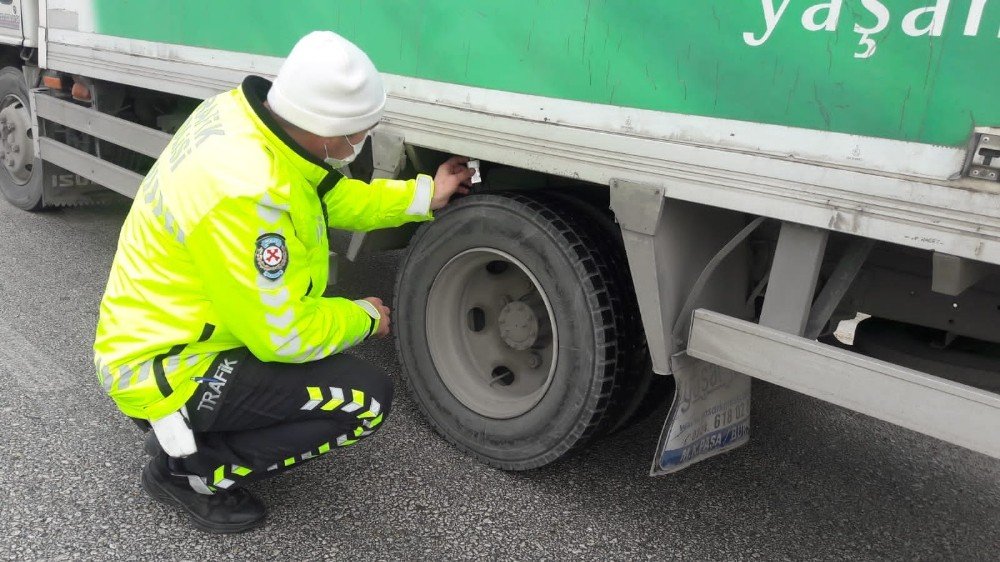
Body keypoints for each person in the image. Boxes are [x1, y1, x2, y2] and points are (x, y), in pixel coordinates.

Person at [93, 30, 474, 533]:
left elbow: (331, 199)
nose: (360, 142)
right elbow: (284, 336)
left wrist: (424, 196)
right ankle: (187, 472)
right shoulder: (245, 194)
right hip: (164, 368)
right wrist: (362, 317)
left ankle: (191, 440)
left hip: (175, 332)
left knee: (322, 355)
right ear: (325, 129)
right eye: (358, 133)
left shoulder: (245, 123)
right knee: (365, 400)